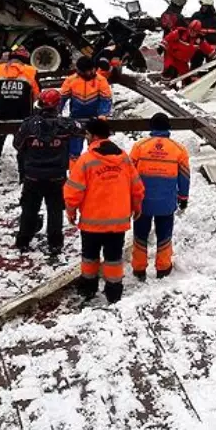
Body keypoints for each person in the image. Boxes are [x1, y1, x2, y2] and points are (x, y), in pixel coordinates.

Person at [65, 119, 144, 303]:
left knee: (90, 258)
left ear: (93, 136)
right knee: (114, 260)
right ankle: (114, 292)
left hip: (92, 223)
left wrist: (71, 211)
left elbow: (73, 191)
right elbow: (137, 188)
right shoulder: (124, 158)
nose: (85, 137)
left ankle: (88, 288)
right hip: (117, 224)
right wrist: (136, 206)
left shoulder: (86, 160)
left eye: (87, 134)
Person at [15, 89, 79, 254]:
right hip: (56, 176)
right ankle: (55, 243)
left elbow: (18, 144)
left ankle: (23, 240)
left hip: (33, 175)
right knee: (55, 210)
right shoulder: (65, 125)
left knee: (29, 209)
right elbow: (80, 129)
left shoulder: (28, 125)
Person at [129, 114, 190, 279]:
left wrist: (129, 198)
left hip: (142, 201)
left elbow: (129, 173)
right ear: (168, 127)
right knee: (164, 234)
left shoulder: (139, 147)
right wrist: (183, 197)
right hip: (166, 202)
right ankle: (163, 268)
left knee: (140, 235)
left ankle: (139, 268)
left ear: (151, 127)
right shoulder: (179, 149)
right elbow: (184, 177)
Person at [0, 48, 40, 179]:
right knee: (23, 145)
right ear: (25, 61)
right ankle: (23, 174)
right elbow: (37, 95)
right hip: (23, 116)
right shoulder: (31, 71)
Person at [61, 56, 114, 157]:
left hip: (95, 118)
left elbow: (106, 99)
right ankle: (74, 169)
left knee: (97, 148)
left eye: (92, 70)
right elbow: (62, 98)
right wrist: (56, 113)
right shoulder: (71, 80)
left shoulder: (101, 80)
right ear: (79, 71)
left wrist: (103, 113)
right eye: (87, 71)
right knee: (74, 149)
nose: (90, 73)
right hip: (76, 118)